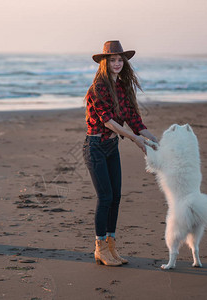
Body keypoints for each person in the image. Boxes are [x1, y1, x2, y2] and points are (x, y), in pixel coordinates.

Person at [83, 40, 158, 266]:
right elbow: (108, 122)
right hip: (95, 147)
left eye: (120, 60)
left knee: (116, 198)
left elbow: (135, 121)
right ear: (104, 63)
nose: (117, 64)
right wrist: (136, 140)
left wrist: (154, 140)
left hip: (112, 147)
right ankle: (100, 248)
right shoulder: (98, 88)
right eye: (112, 60)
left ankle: (111, 247)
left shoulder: (123, 88)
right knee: (105, 197)